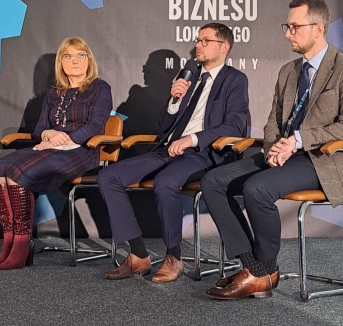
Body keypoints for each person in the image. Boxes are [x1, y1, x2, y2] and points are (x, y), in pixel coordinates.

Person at [201, 0, 343, 300]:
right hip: (283, 154)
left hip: (321, 159)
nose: (288, 33)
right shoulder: (289, 71)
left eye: (294, 27)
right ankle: (254, 268)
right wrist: (273, 147)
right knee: (213, 181)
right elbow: (273, 122)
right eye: (286, 27)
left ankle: (264, 271)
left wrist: (297, 141)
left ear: (318, 28)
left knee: (257, 189)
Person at [98, 22, 249, 283]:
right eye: (198, 40)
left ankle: (173, 257)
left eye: (206, 41)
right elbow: (163, 126)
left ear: (224, 46)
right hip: (167, 149)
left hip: (203, 153)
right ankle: (138, 254)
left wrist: (193, 139)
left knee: (165, 182)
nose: (198, 45)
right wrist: (173, 101)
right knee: (108, 176)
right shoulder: (188, 76)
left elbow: (235, 125)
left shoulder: (234, 79)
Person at [0, 37, 112, 270]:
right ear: (61, 62)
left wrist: (66, 139)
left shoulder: (99, 88)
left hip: (82, 151)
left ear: (89, 60)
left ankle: (21, 244)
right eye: (69, 56)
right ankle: (10, 242)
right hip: (51, 147)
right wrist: (49, 135)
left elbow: (96, 125)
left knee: (17, 172)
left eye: (81, 55)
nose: (75, 61)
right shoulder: (53, 93)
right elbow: (39, 129)